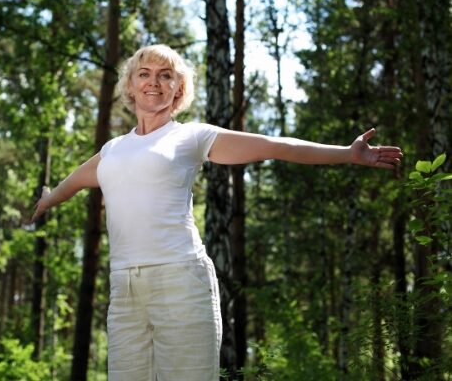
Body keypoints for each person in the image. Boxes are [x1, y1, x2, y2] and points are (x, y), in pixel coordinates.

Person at [31, 44, 402, 381]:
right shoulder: (113, 149)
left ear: (179, 89)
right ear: (130, 86)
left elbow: (273, 145)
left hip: (179, 280)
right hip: (124, 287)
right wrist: (47, 200)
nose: (154, 82)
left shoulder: (191, 137)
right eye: (144, 74)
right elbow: (75, 181)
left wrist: (347, 153)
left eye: (166, 75)